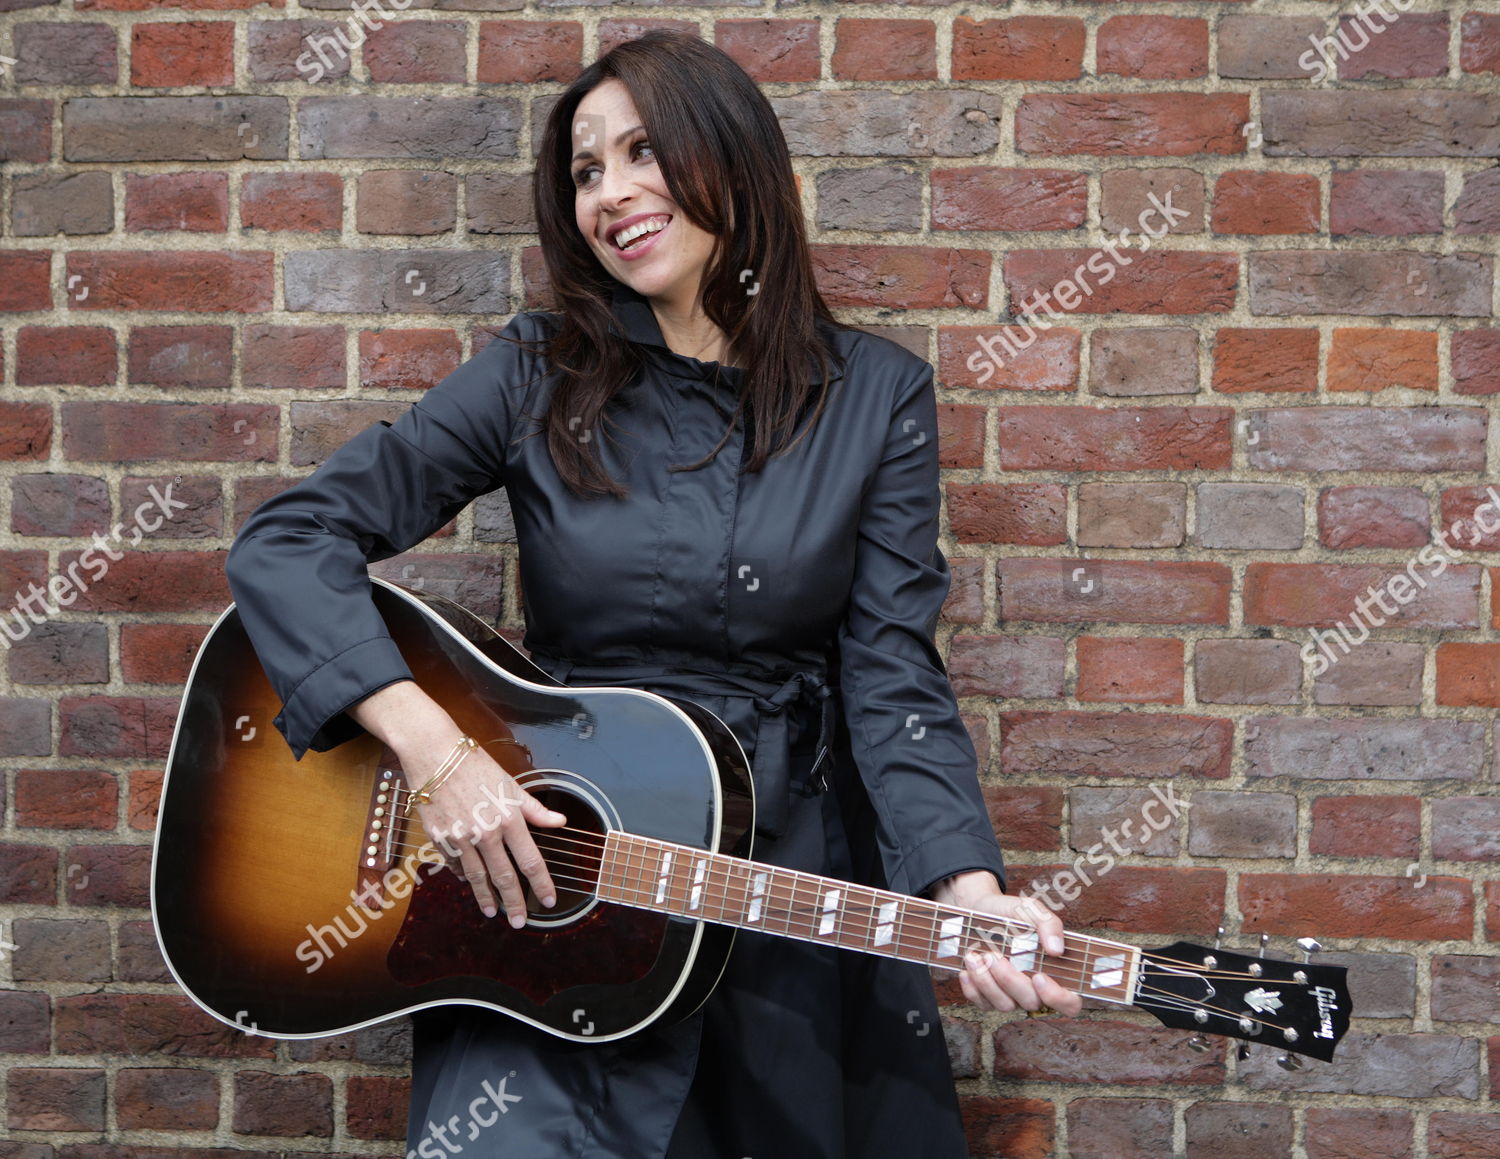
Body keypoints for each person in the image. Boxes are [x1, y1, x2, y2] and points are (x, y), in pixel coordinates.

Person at [224, 28, 1082, 1158]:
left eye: (641, 153)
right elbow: (290, 540)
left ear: (729, 156)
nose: (611, 194)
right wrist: (436, 754)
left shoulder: (877, 397)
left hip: (784, 887)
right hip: (558, 884)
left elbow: (891, 671)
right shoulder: (537, 370)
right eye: (585, 170)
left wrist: (962, 881)